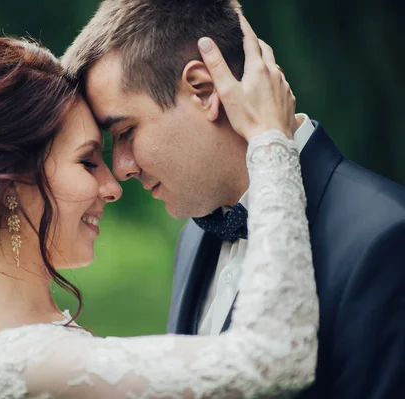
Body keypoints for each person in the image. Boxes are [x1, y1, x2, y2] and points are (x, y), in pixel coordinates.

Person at [0, 26, 317, 398]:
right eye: (88, 161)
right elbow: (276, 356)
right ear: (8, 186)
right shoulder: (16, 361)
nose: (112, 186)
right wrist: (270, 142)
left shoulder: (17, 346)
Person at [62, 0, 405, 397]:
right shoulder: (194, 236)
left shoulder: (385, 238)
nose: (121, 168)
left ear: (203, 91)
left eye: (125, 132)